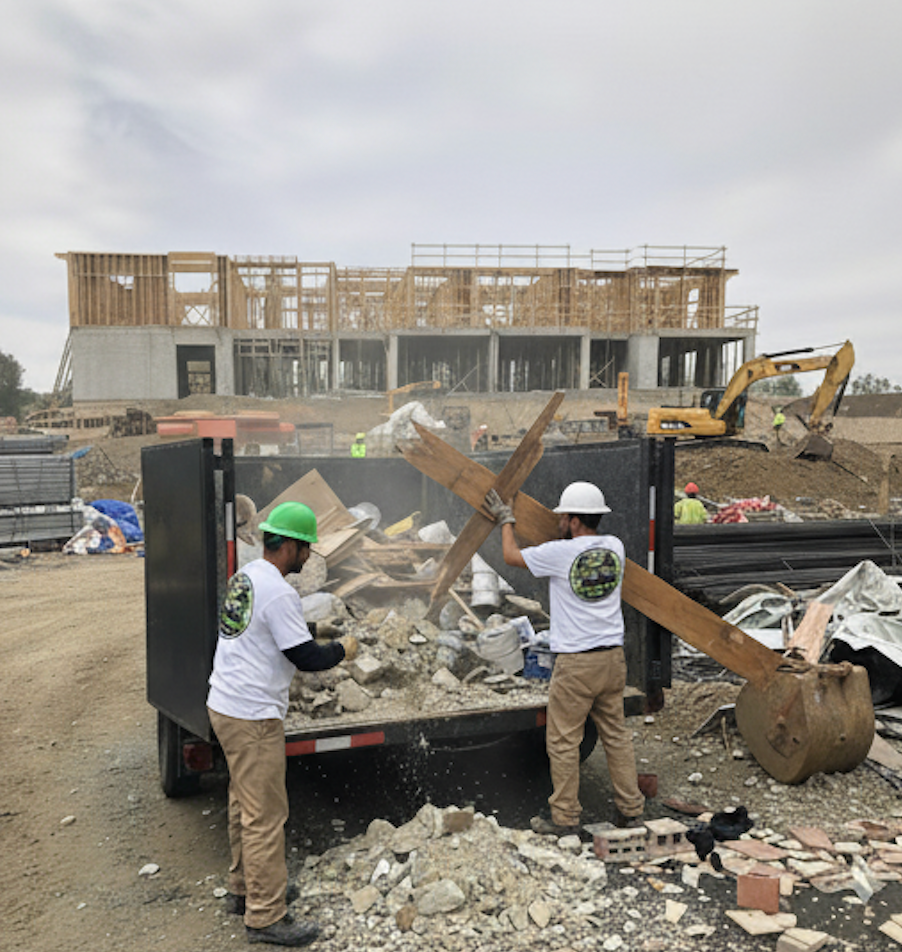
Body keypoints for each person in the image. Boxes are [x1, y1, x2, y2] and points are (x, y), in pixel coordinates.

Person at [207, 501, 358, 947]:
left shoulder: (248, 576)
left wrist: (314, 624)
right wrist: (343, 649)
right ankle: (266, 916)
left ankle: (244, 890)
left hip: (225, 705)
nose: (308, 557)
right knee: (265, 816)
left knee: (243, 804)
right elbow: (306, 657)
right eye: (306, 548)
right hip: (252, 717)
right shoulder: (278, 592)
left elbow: (267, 627)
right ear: (288, 546)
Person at [484, 481, 645, 834]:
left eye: (563, 517)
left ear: (573, 521)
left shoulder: (560, 554)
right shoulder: (614, 547)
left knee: (563, 741)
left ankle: (565, 819)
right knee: (616, 736)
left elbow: (512, 556)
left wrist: (505, 520)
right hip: (613, 660)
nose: (558, 522)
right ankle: (631, 811)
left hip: (577, 663)